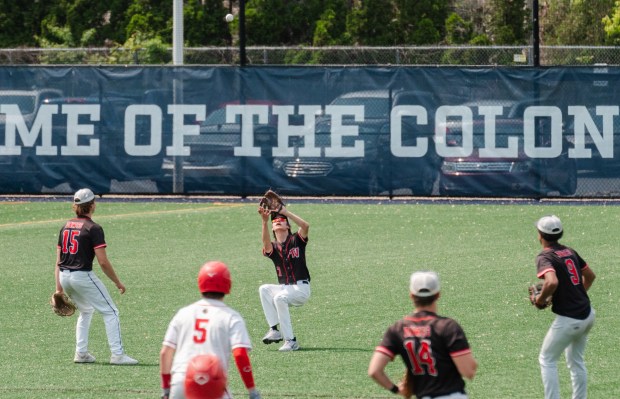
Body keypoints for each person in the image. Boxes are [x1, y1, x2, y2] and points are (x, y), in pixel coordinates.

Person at [53, 188, 138, 365]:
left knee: (86, 310)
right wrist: (118, 282)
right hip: (82, 276)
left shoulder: (65, 226)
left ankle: (81, 353)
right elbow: (103, 262)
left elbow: (58, 261)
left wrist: (58, 289)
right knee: (111, 312)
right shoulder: (94, 228)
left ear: (75, 206)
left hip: (65, 276)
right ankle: (117, 355)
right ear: (92, 205)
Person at [160, 260, 261, 399]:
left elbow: (165, 352)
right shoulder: (232, 317)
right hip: (212, 383)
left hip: (180, 384)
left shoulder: (183, 313)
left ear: (200, 283)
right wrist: (252, 390)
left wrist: (166, 389)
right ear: (228, 284)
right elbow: (240, 354)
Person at [368, 271, 477, 398]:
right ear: (437, 295)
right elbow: (468, 371)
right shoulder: (448, 327)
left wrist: (396, 389)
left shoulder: (397, 329)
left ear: (411, 295)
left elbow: (374, 371)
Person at [533, 215, 596, 399]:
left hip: (570, 320)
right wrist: (575, 294)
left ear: (540, 235)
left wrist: (540, 300)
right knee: (576, 361)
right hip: (588, 314)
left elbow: (551, 282)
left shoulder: (544, 256)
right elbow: (590, 276)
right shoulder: (570, 251)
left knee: (547, 360)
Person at [257, 204, 311, 352]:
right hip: (286, 288)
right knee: (264, 289)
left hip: (301, 289)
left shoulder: (296, 240)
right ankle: (274, 330)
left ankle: (291, 341)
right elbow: (266, 244)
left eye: (282, 219)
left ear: (288, 226)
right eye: (274, 221)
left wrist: (286, 212)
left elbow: (305, 226)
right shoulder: (273, 247)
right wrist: (264, 221)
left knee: (279, 298)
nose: (278, 221)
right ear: (273, 228)